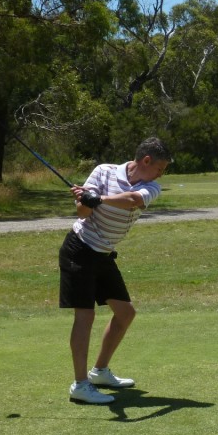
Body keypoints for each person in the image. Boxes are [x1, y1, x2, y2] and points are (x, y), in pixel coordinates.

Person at [59, 137, 172, 404]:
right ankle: (80, 385)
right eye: (160, 168)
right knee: (85, 316)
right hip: (80, 249)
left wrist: (98, 198)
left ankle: (99, 371)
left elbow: (132, 200)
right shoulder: (103, 171)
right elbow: (82, 213)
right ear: (146, 161)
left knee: (125, 313)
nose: (161, 174)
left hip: (104, 255)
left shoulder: (151, 187)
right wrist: (85, 199)